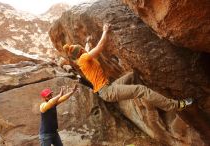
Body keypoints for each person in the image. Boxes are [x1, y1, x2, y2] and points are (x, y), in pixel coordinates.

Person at [60, 23, 193, 113]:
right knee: (141, 89)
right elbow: (99, 47)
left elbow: (87, 49)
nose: (84, 49)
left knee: (133, 75)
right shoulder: (84, 58)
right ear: (81, 52)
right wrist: (105, 31)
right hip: (107, 91)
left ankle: (150, 103)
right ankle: (174, 106)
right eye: (83, 49)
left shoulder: (82, 58)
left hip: (108, 87)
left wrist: (87, 41)